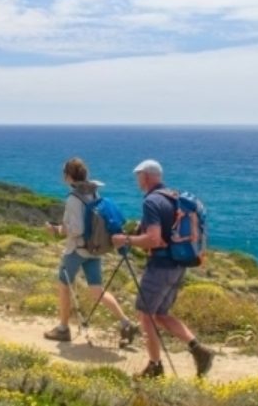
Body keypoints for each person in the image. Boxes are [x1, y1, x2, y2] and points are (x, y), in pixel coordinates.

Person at [112, 159, 215, 378]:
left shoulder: (152, 201)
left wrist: (125, 240)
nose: (137, 180)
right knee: (160, 314)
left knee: (146, 315)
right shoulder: (173, 197)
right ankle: (199, 350)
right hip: (178, 265)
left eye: (138, 176)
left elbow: (153, 239)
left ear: (146, 176)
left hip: (160, 266)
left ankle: (155, 366)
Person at [44, 157, 140, 346]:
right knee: (97, 290)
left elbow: (76, 229)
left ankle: (63, 329)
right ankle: (125, 323)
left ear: (68, 176)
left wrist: (57, 230)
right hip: (95, 249)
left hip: (77, 250)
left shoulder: (73, 198)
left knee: (64, 286)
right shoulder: (94, 193)